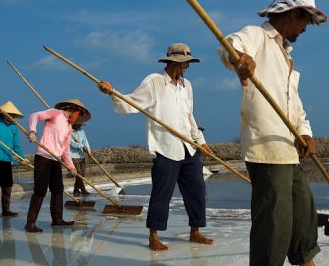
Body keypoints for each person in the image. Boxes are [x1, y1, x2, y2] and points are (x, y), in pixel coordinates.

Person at [218, 0, 329, 266]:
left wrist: (305, 132)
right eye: (305, 20)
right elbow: (230, 45)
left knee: (303, 210)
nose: (305, 28)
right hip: (264, 146)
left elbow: (294, 106)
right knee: (273, 218)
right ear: (292, 13)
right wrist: (239, 59)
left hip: (287, 147)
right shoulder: (257, 37)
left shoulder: (286, 56)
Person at [97, 43, 215, 251]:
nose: (187, 67)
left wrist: (201, 140)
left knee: (197, 190)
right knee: (162, 194)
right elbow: (132, 102)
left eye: (188, 63)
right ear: (172, 62)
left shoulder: (187, 86)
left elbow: (189, 117)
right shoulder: (154, 82)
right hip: (165, 148)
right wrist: (112, 93)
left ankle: (195, 232)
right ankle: (154, 236)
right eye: (184, 63)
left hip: (188, 147)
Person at [24, 99, 91, 233]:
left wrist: (71, 166)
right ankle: (30, 223)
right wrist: (32, 131)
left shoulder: (69, 127)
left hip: (56, 160)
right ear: (74, 110)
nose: (78, 119)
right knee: (40, 190)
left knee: (58, 190)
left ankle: (57, 220)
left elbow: (65, 150)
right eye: (79, 115)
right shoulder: (56, 113)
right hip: (43, 156)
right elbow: (34, 115)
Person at [70, 123, 91, 196]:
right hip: (73, 156)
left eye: (81, 125)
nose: (80, 126)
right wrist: (81, 146)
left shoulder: (82, 131)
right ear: (74, 124)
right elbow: (71, 143)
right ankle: (83, 189)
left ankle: (76, 189)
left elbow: (85, 142)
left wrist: (89, 151)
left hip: (82, 155)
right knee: (78, 174)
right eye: (79, 124)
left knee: (82, 174)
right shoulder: (68, 131)